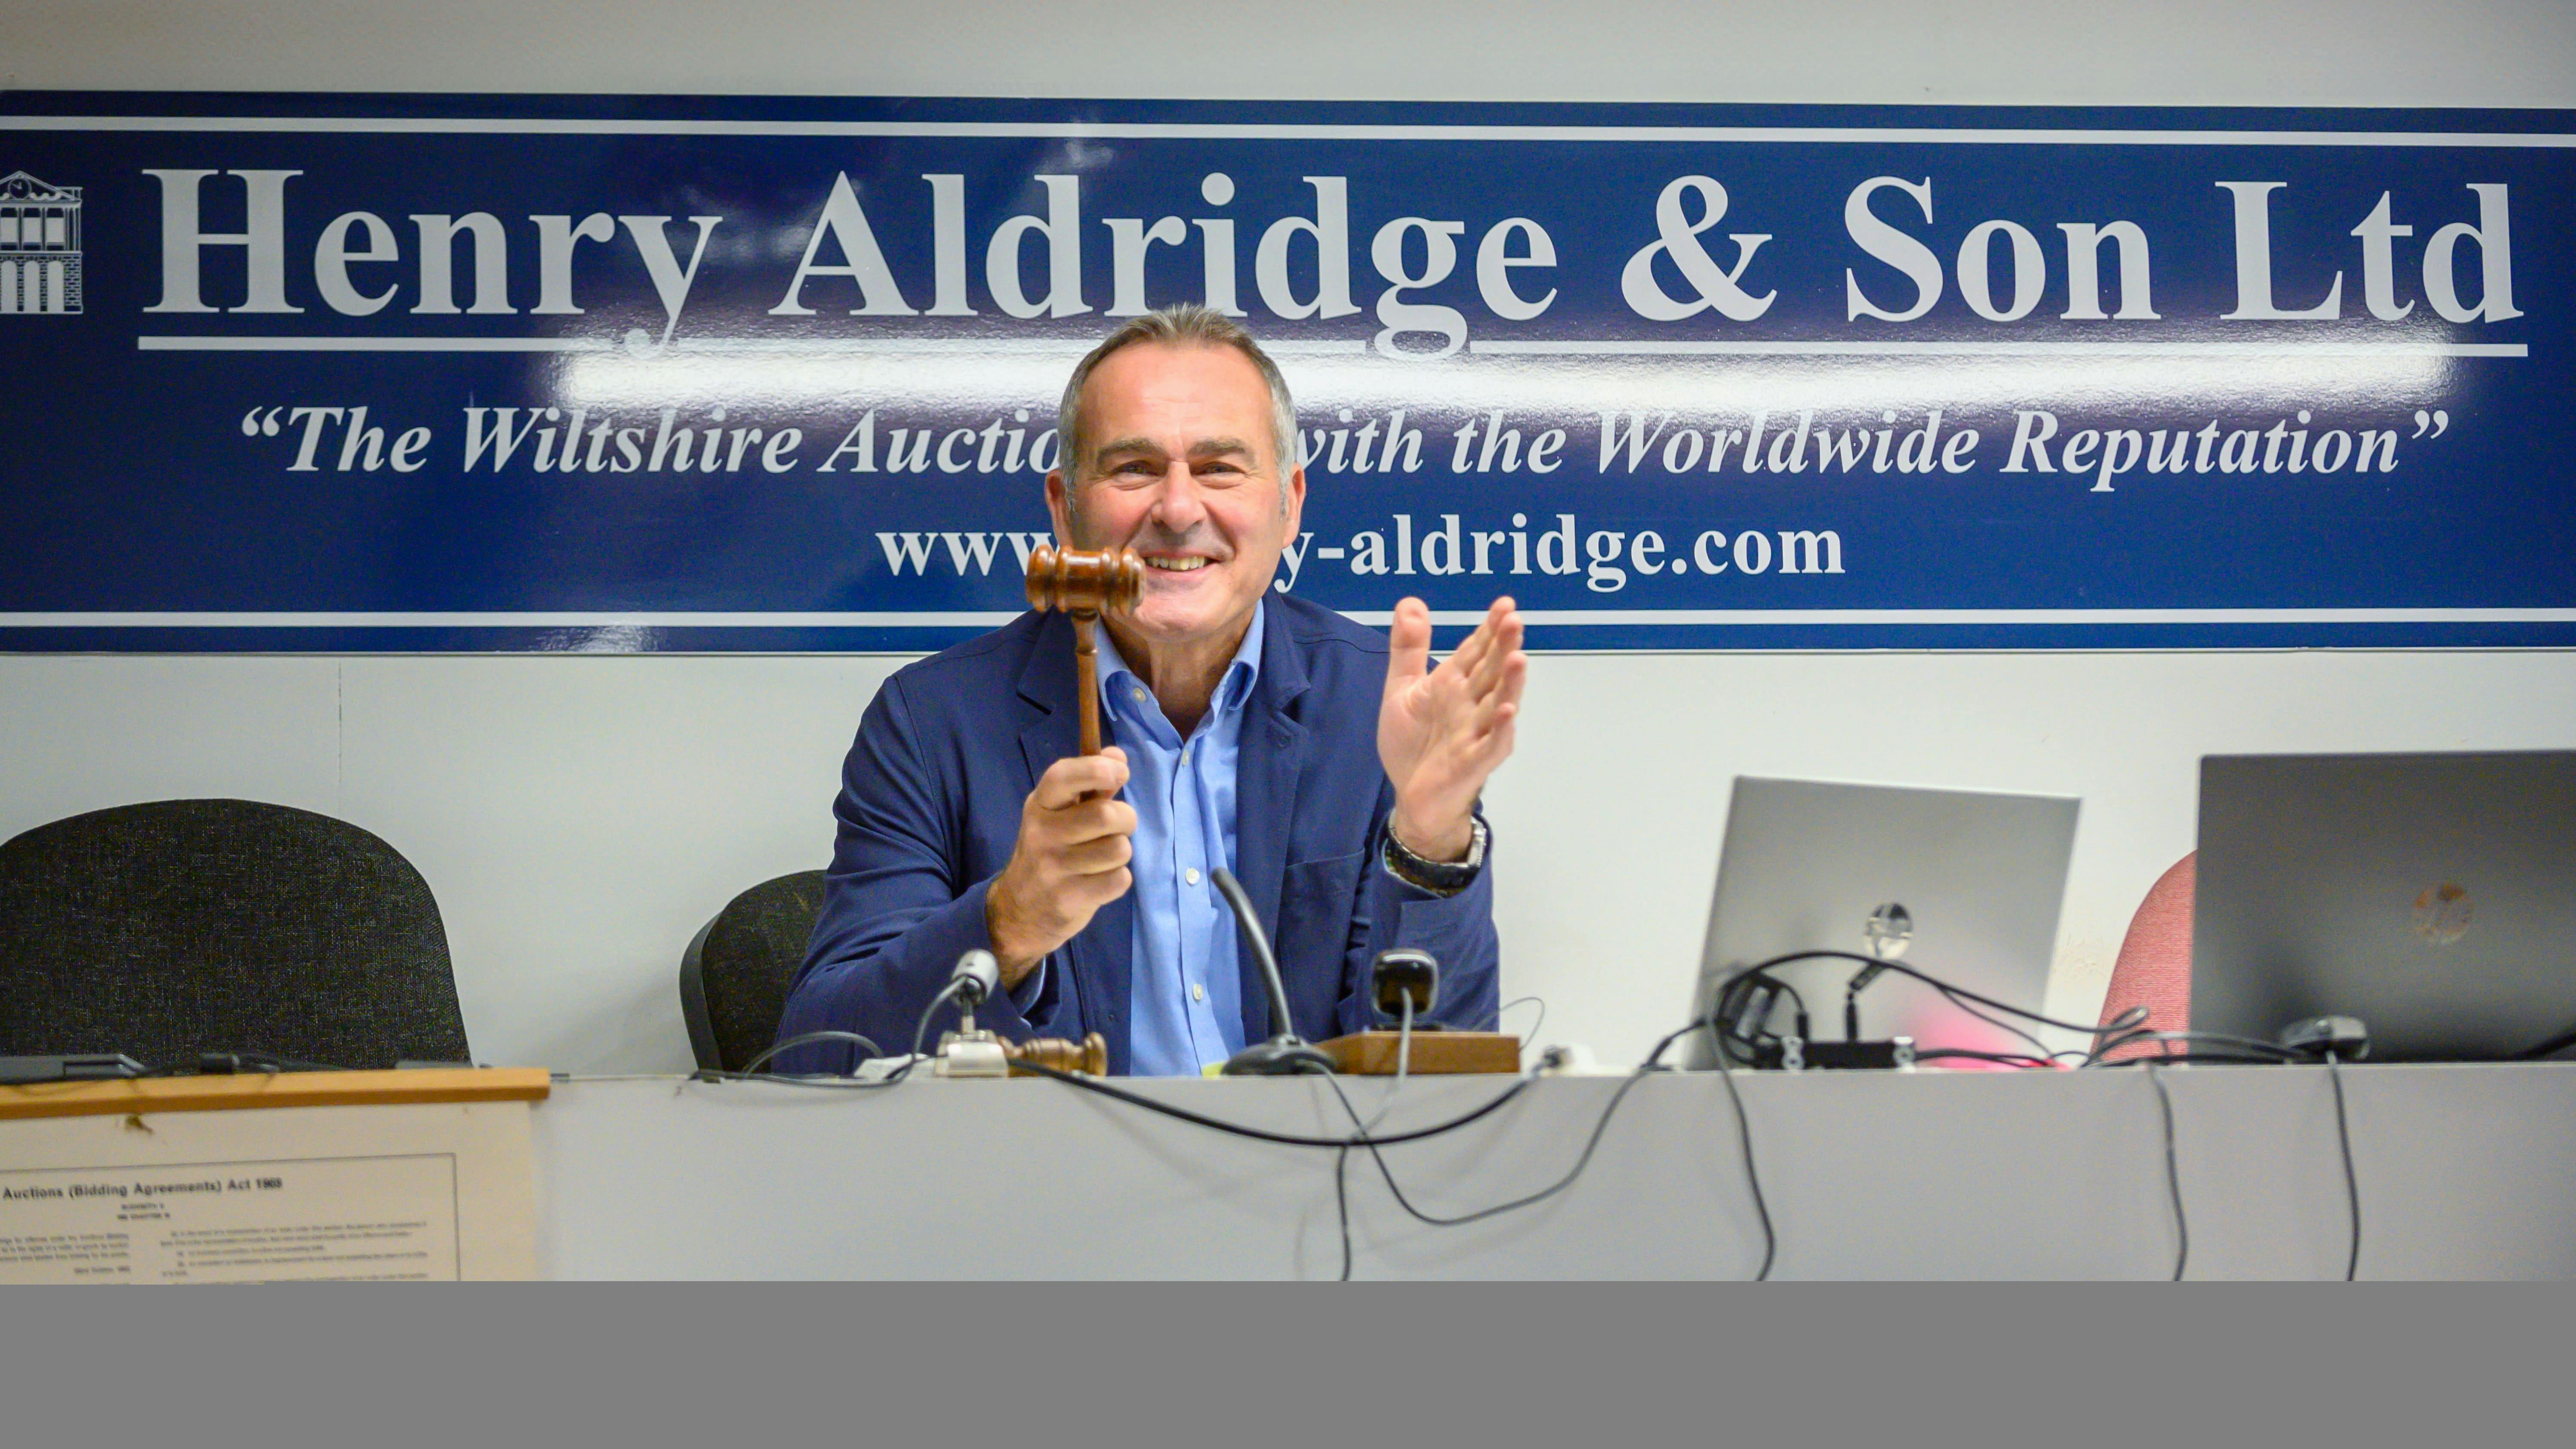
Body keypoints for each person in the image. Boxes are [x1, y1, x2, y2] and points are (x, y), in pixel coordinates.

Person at [775, 305, 1526, 1075]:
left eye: (1219, 467)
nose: (1176, 509)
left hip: (1307, 1184)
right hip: (1058, 1187)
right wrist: (1010, 922)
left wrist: (1432, 847)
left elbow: (1440, 1086)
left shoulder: (1382, 708)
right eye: (1133, 467)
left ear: (1290, 504)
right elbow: (818, 1058)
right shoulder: (931, 726)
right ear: (1066, 511)